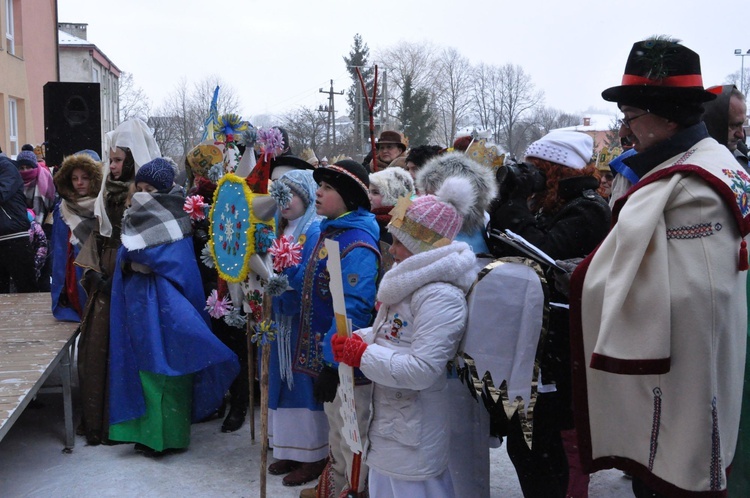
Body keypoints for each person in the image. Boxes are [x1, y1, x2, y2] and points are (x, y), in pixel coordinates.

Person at [569, 37, 749, 498]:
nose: (625, 133)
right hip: (691, 369)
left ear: (666, 115)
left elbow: (694, 295)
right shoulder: (711, 163)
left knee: (675, 469)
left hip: (686, 378)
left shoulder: (691, 188)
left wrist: (586, 277)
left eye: (630, 118)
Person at [332, 177, 477, 498]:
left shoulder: (440, 296)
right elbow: (394, 334)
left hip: (414, 430)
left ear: (422, 246)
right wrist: (358, 338)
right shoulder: (411, 282)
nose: (392, 250)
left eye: (399, 241)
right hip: (394, 425)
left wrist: (363, 355)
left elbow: (422, 369)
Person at [488, 130, 611, 498]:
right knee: (527, 446)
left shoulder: (588, 208)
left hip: (563, 350)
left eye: (538, 169)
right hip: (539, 346)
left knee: (552, 449)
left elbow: (540, 255)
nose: (533, 178)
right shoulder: (553, 206)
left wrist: (515, 203)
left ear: (557, 170)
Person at [107, 158, 239, 456]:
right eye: (139, 188)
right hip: (140, 304)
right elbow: (125, 256)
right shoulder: (134, 217)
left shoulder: (177, 218)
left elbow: (179, 263)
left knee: (169, 369)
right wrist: (129, 263)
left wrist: (147, 262)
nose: (142, 195)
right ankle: (145, 434)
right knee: (143, 369)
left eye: (150, 188)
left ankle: (169, 436)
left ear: (165, 189)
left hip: (169, 307)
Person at [74, 118, 161, 445]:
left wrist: (124, 270)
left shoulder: (142, 195)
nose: (110, 166)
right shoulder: (105, 191)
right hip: (105, 271)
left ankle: (124, 423)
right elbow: (97, 232)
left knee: (127, 346)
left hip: (130, 274)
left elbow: (149, 242)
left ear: (132, 161)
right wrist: (93, 270)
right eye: (109, 159)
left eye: (117, 160)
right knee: (97, 346)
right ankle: (100, 422)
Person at [297, 160, 380, 498]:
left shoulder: (356, 243)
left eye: (329, 188)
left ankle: (354, 491)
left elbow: (354, 309)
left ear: (348, 197)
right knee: (337, 429)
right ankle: (334, 486)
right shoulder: (332, 231)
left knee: (352, 432)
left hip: (347, 364)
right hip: (329, 355)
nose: (318, 192)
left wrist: (334, 364)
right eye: (320, 186)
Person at [266, 169, 328, 487]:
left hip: (304, 321)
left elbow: (311, 272)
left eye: (291, 194)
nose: (285, 201)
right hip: (281, 319)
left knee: (302, 382)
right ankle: (291, 447)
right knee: (282, 380)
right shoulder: (279, 228)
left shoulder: (314, 229)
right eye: (280, 194)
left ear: (306, 196)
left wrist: (283, 277)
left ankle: (314, 453)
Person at [50, 151, 102, 322]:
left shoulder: (105, 205)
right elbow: (58, 249)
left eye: (85, 177)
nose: (79, 183)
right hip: (73, 270)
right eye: (74, 178)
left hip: (100, 272)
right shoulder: (63, 208)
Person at [417, 152, 497, 254]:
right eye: (426, 194)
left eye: (434, 196)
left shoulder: (447, 236)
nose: (428, 201)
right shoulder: (482, 225)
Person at [15, 146, 55, 290]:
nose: (25, 171)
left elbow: (52, 205)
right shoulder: (14, 183)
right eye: (22, 167)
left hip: (45, 230)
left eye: (28, 167)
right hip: (22, 234)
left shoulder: (45, 178)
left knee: (44, 273)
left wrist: (43, 229)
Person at [0, 154, 38, 293]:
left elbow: (2, 193)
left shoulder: (6, 167)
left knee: (26, 289)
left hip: (14, 236)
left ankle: (32, 314)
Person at [703, 85, 748, 170]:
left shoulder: (741, 157)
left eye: (741, 124)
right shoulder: (697, 169)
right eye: (734, 125)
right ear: (712, 123)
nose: (741, 135)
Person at [368, 166, 415, 246]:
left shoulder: (408, 225)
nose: (369, 197)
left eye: (375, 193)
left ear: (392, 196)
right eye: (369, 191)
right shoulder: (370, 220)